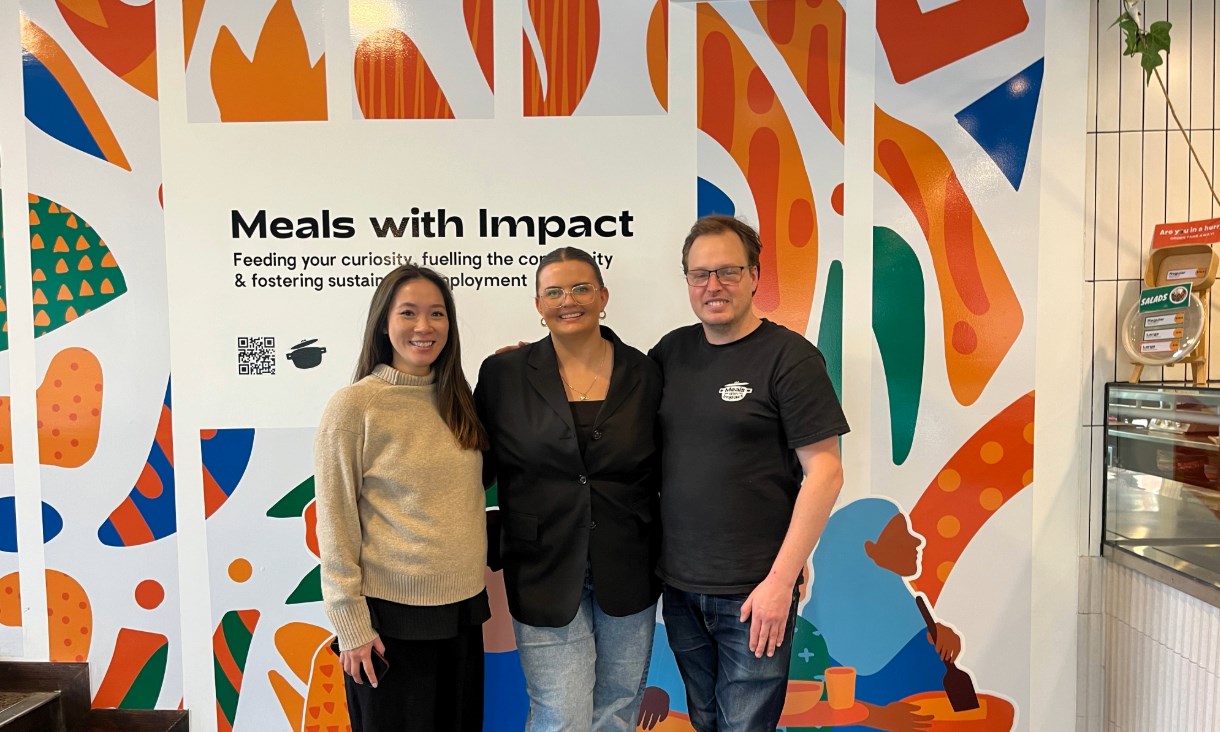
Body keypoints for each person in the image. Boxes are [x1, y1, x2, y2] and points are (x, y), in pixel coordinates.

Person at [650, 215, 849, 731]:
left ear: (756, 276)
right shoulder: (671, 353)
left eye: (728, 272)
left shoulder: (790, 359)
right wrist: (534, 363)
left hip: (755, 593)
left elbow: (825, 472)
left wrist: (781, 581)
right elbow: (608, 396)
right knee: (705, 721)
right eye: (699, 275)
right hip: (680, 586)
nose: (712, 286)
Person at [476, 246, 662, 731]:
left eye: (581, 288)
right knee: (561, 714)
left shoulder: (645, 373)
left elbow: (671, 467)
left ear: (603, 296)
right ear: (538, 305)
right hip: (541, 566)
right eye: (553, 291)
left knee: (618, 708)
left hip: (629, 562)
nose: (568, 300)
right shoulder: (503, 375)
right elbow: (474, 467)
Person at [316, 264, 490, 732]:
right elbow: (334, 525)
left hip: (462, 613)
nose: (423, 327)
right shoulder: (354, 406)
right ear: (383, 322)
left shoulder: (460, 400)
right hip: (387, 624)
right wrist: (350, 624)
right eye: (409, 313)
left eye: (437, 314)